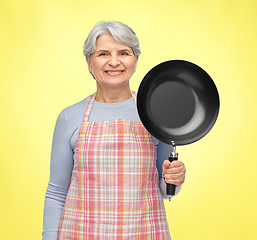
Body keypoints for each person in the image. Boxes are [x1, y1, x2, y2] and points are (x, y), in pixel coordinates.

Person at [42, 21, 186, 240]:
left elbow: (165, 191)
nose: (114, 62)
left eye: (124, 52)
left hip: (144, 233)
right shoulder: (69, 118)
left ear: (136, 60)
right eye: (103, 54)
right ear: (89, 62)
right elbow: (56, 193)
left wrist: (173, 180)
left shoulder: (157, 114)